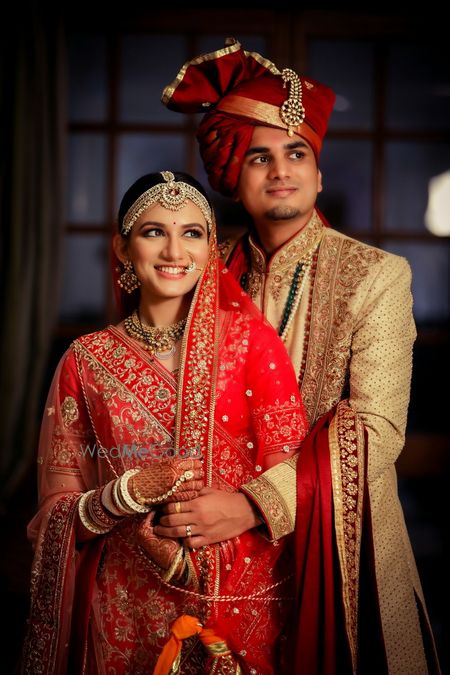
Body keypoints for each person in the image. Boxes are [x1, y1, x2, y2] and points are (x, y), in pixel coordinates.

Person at [158, 38, 441, 674]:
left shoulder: (377, 275)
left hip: (342, 544)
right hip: (217, 550)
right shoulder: (204, 275)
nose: (281, 169)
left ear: (317, 173)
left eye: (297, 153)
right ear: (235, 176)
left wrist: (251, 505)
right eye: (260, 157)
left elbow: (376, 433)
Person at [21, 170, 310, 674]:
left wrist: (235, 514)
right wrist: (122, 497)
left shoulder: (250, 342)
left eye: (192, 233)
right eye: (154, 231)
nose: (175, 250)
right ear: (122, 247)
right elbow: (54, 517)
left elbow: (296, 475)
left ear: (211, 247)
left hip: (238, 604)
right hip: (123, 608)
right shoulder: (86, 360)